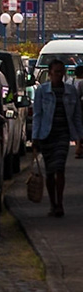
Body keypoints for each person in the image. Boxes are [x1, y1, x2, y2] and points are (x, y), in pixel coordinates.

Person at [31, 56, 83, 217]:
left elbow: (76, 115)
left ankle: (60, 203)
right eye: (56, 72)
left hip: (62, 134)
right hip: (47, 135)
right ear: (50, 73)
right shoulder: (42, 91)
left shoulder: (71, 91)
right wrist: (35, 137)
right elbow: (37, 115)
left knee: (60, 168)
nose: (59, 75)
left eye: (61, 72)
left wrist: (79, 137)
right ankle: (53, 203)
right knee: (50, 171)